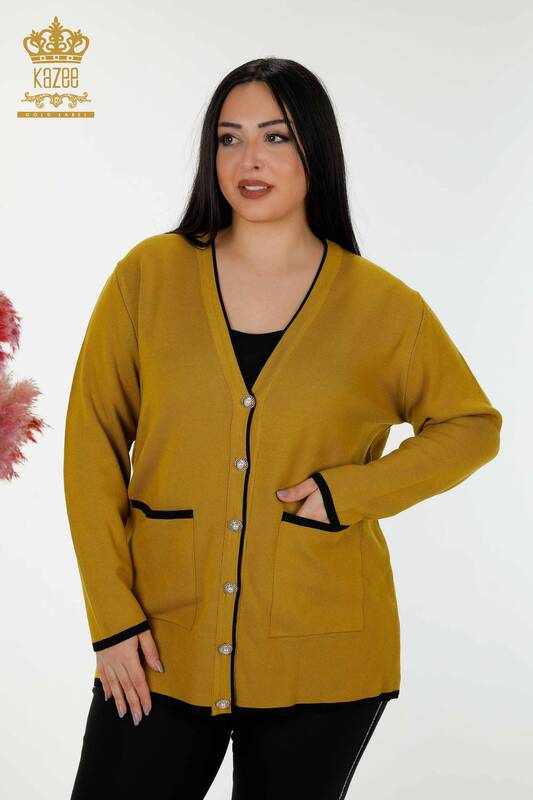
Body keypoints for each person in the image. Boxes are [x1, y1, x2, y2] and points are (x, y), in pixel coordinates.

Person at [64, 57, 503, 799]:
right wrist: (112, 618)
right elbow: (91, 444)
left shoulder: (382, 307)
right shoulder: (148, 276)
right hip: (161, 640)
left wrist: (348, 493)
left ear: (315, 151)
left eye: (275, 136)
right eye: (228, 138)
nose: (249, 159)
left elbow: (471, 425)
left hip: (325, 652)